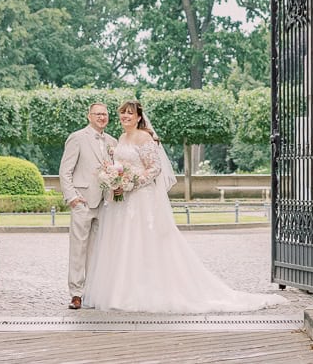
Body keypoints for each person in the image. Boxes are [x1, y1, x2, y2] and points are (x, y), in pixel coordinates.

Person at [83, 100, 285, 313]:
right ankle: (121, 292)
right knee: (122, 244)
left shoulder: (145, 137)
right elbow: (121, 167)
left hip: (142, 199)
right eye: (123, 113)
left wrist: (129, 183)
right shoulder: (121, 138)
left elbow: (154, 169)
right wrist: (116, 181)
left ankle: (146, 292)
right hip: (122, 202)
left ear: (139, 117)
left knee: (142, 243)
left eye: (130, 114)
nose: (125, 117)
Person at [59, 101, 117, 310]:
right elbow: (65, 171)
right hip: (82, 201)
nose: (102, 117)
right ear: (89, 116)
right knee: (78, 249)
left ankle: (92, 292)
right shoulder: (77, 138)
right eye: (98, 114)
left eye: (105, 114)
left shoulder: (113, 141)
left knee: (98, 250)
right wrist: (72, 197)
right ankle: (76, 293)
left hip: (105, 203)